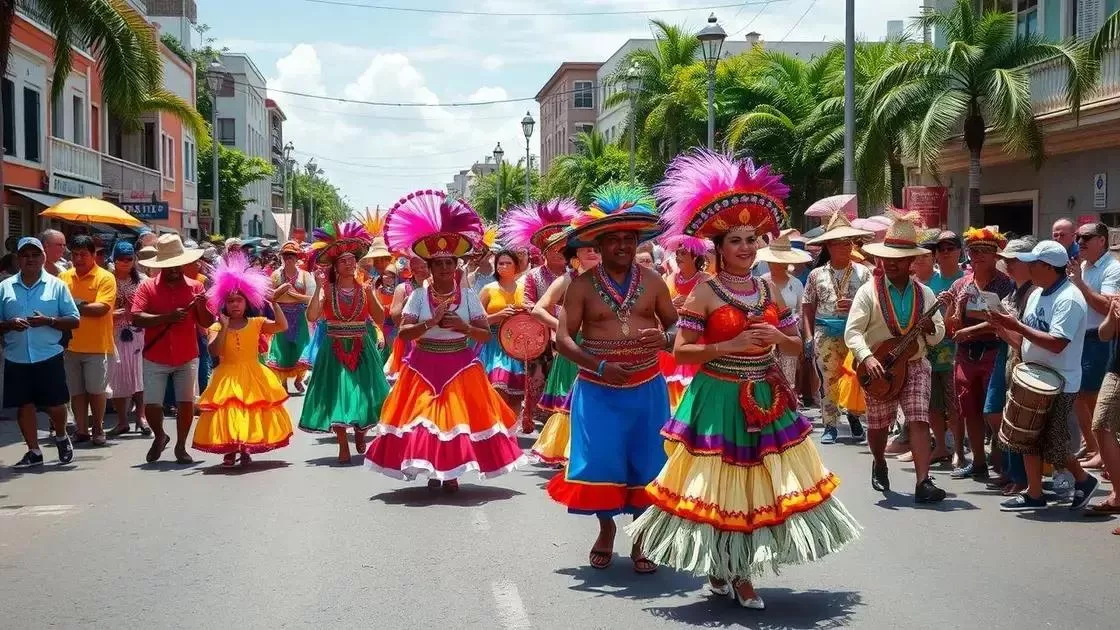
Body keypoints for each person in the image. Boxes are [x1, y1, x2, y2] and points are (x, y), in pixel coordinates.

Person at [629, 151, 859, 607]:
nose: (747, 248)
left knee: (760, 483)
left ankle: (733, 567)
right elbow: (681, 352)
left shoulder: (768, 289)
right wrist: (728, 347)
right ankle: (732, 570)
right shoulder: (704, 292)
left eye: (752, 239)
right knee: (721, 483)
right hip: (717, 395)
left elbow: (795, 346)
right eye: (736, 240)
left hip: (766, 392)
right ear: (718, 247)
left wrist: (777, 335)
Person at [544, 183, 676, 574]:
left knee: (647, 461)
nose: (622, 245)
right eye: (613, 239)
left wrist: (666, 338)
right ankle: (605, 530)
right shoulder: (581, 286)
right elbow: (563, 340)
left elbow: (678, 325)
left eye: (629, 239)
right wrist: (601, 366)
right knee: (603, 461)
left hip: (647, 387)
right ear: (598, 246)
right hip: (598, 389)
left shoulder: (654, 282)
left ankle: (640, 537)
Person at [365, 190, 525, 490]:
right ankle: (432, 469)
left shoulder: (467, 296)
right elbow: (403, 333)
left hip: (461, 363)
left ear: (456, 266)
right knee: (425, 419)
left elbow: (482, 332)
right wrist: (431, 322)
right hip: (422, 364)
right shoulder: (416, 295)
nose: (444, 269)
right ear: (430, 267)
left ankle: (450, 472)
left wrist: (462, 327)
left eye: (449, 264)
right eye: (438, 265)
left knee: (456, 420)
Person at [987, 241, 1100, 511]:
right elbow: (1027, 340)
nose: (1027, 266)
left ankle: (1084, 480)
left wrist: (1016, 326)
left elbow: (1057, 343)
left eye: (1033, 263)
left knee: (1053, 441)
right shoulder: (1038, 293)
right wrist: (1004, 329)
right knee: (1029, 435)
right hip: (1035, 376)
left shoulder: (1069, 298)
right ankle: (1034, 493)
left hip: (1059, 382)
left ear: (1048, 267)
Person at [844, 213, 948, 502]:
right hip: (879, 366)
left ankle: (923, 482)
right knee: (878, 426)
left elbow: (938, 333)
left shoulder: (925, 294)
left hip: (915, 364)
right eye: (887, 257)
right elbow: (852, 333)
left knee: (918, 419)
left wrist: (930, 330)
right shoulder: (868, 293)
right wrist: (866, 357)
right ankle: (879, 461)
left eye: (898, 258)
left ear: (910, 261)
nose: (890, 262)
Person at [298, 222, 390, 464]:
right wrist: (318, 288)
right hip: (334, 347)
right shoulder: (326, 289)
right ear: (336, 267)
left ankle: (361, 432)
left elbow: (380, 319)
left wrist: (371, 293)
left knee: (365, 393)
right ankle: (342, 444)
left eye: (352, 260)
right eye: (344, 261)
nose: (350, 264)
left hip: (362, 345)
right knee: (337, 393)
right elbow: (312, 316)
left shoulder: (364, 288)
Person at [193, 254, 293, 466]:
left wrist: (274, 303)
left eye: (239, 300)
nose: (235, 305)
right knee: (230, 411)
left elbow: (281, 326)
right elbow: (214, 350)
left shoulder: (257, 322)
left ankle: (245, 447)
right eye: (230, 301)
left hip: (253, 373)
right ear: (224, 304)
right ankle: (230, 450)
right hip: (227, 375)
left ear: (246, 302)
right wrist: (224, 325)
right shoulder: (217, 326)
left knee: (249, 411)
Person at [130, 234, 215, 465]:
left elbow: (207, 322)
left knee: (186, 402)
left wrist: (200, 305)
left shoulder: (196, 286)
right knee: (153, 405)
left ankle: (180, 446)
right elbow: (136, 317)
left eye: (177, 265)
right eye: (169, 266)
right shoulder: (147, 287)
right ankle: (160, 436)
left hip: (187, 354)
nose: (174, 270)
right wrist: (166, 317)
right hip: (155, 355)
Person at [500, 199, 582, 433]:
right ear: (545, 251)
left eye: (562, 249)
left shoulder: (576, 275)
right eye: (553, 249)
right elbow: (526, 303)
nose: (558, 253)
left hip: (572, 335)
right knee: (539, 383)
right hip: (541, 337)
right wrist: (550, 319)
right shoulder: (533, 276)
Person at [1, 237, 81, 468]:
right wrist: (9, 324)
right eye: (25, 255)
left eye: (35, 254)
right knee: (24, 405)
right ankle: (34, 451)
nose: (30, 259)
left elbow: (74, 320)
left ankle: (60, 435)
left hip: (48, 354)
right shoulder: (4, 287)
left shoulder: (57, 285)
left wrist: (49, 321)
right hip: (16, 356)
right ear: (18, 259)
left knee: (56, 405)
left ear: (43, 258)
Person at [947, 227, 1016, 481]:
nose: (978, 256)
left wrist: (971, 330)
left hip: (993, 350)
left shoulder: (1005, 284)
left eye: (985, 252)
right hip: (964, 354)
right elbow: (952, 324)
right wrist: (954, 308)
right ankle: (977, 461)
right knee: (969, 409)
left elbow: (1004, 319)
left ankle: (1001, 458)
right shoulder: (960, 284)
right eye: (974, 251)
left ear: (995, 255)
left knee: (994, 409)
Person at [529, 236, 601, 466]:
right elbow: (538, 309)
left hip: (603, 346)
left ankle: (592, 451)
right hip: (572, 346)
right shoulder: (567, 279)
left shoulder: (612, 277)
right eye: (586, 249)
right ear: (575, 256)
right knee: (570, 402)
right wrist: (562, 327)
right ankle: (572, 453)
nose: (592, 252)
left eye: (596, 248)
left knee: (598, 402)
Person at [804, 211, 874, 444]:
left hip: (856, 332)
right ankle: (830, 425)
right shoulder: (816, 275)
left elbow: (874, 303)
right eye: (840, 243)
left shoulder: (864, 273)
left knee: (854, 376)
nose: (846, 247)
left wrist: (855, 305)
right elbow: (808, 306)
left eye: (849, 242)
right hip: (826, 332)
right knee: (828, 379)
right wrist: (809, 336)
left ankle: (854, 415)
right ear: (829, 246)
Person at [986, 237, 1037, 496]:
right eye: (1007, 260)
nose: (1008, 264)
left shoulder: (1032, 293)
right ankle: (1010, 471)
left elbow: (1021, 338)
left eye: (1014, 260)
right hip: (1007, 357)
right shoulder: (1016, 291)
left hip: (1022, 361)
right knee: (998, 414)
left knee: (1017, 422)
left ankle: (1021, 478)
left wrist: (1003, 329)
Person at [1068, 222, 1120, 470]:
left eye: (1086, 237)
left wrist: (1079, 283)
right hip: (1079, 338)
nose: (1080, 241)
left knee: (1093, 398)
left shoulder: (1112, 268)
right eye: (1078, 237)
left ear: (1102, 240)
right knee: (1078, 395)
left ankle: (1103, 451)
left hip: (1099, 340)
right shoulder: (1083, 267)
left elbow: (1107, 308)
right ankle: (1093, 448)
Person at [59, 235, 118, 447]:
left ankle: (99, 428)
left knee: (96, 390)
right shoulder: (63, 277)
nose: (79, 259)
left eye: (84, 254)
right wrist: (83, 306)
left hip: (97, 345)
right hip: (70, 344)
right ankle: (82, 430)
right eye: (75, 254)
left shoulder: (105, 278)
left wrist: (72, 305)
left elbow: (101, 309)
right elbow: (58, 308)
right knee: (76, 392)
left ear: (94, 255)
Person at [920, 231, 965, 465]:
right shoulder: (929, 285)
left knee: (954, 404)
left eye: (951, 247)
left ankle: (958, 449)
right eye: (941, 249)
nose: (946, 252)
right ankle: (940, 446)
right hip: (930, 352)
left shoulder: (965, 280)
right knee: (932, 406)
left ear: (959, 250)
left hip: (956, 352)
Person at [658, 234, 710, 411]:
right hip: (672, 343)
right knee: (669, 394)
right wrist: (671, 306)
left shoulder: (707, 281)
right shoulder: (669, 279)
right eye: (677, 253)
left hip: (697, 341)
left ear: (695, 256)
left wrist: (688, 304)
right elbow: (659, 311)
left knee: (693, 394)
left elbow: (713, 312)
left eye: (682, 254)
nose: (677, 257)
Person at [106, 242, 150, 436]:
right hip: (114, 332)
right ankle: (122, 420)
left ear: (134, 260)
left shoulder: (143, 280)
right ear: (114, 259)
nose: (125, 262)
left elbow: (150, 305)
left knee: (138, 374)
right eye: (120, 258)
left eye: (129, 258)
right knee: (116, 376)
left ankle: (141, 416)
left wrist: (137, 310)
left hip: (138, 332)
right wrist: (111, 313)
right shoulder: (107, 280)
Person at [759, 230, 812, 387]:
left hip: (789, 335)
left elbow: (800, 312)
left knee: (788, 381)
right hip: (766, 337)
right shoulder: (761, 283)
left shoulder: (795, 283)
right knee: (766, 381)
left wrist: (801, 340)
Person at [479, 249, 529, 408]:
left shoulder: (525, 288)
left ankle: (510, 430)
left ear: (516, 266)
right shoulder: (488, 289)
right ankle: (496, 424)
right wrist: (498, 315)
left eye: (508, 263)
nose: (504, 266)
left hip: (517, 345)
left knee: (515, 394)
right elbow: (476, 321)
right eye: (501, 263)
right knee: (497, 385)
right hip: (493, 344)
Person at [1086, 294, 1120, 520]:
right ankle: (1118, 494)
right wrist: (1113, 314)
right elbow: (1104, 333)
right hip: (1116, 368)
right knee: (1100, 425)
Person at [266, 241, 314, 393]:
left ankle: (299, 379)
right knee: (282, 349)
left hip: (299, 316)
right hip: (281, 314)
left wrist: (294, 295)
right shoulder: (275, 276)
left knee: (301, 347)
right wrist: (280, 294)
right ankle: (284, 382)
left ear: (296, 257)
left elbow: (311, 298)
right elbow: (269, 296)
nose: (288, 258)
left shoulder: (305, 276)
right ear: (282, 257)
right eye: (286, 255)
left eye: (291, 256)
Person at [383, 256, 429, 385]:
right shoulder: (402, 288)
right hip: (409, 340)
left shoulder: (435, 287)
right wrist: (405, 305)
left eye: (424, 266)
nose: (421, 270)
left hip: (431, 338)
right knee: (408, 380)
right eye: (417, 268)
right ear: (411, 271)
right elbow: (396, 318)